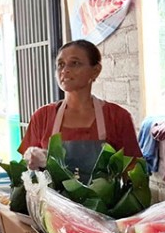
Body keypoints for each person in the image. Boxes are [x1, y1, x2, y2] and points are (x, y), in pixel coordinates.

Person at [18, 39, 142, 182]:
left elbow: (134, 173)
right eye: (60, 64)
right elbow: (25, 171)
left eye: (75, 63)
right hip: (53, 203)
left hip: (104, 204)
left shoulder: (117, 117)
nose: (65, 70)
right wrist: (32, 159)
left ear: (95, 71)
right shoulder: (43, 117)